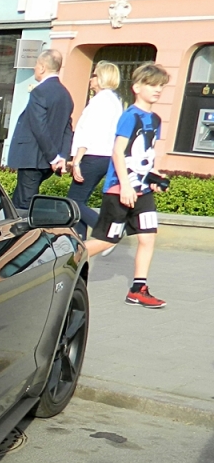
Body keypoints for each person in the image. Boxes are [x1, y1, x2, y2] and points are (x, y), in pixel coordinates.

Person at [83, 62, 172, 308]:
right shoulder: (129, 116)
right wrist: (125, 185)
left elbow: (147, 154)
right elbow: (118, 152)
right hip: (120, 190)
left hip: (141, 191)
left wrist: (154, 177)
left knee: (148, 237)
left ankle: (138, 289)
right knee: (107, 240)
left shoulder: (155, 119)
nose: (157, 90)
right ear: (136, 87)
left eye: (161, 86)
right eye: (152, 85)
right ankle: (64, 261)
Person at [6, 49, 74, 212]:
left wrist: (53, 158)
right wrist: (62, 157)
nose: (34, 68)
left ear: (42, 67)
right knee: (17, 202)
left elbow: (39, 127)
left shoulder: (39, 91)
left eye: (36, 65)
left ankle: (26, 236)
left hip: (34, 159)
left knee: (24, 206)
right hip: (47, 161)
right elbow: (67, 129)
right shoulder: (66, 95)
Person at [67, 61, 124, 238]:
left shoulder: (100, 101)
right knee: (79, 201)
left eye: (94, 75)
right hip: (104, 156)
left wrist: (77, 161)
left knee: (73, 201)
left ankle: (107, 231)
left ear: (101, 78)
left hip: (92, 155)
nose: (91, 79)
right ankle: (80, 240)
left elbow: (88, 133)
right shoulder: (114, 101)